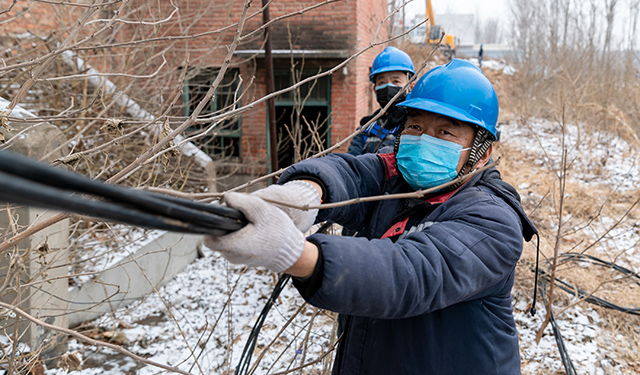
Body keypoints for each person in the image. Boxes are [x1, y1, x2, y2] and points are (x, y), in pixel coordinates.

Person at [205, 59, 537, 374]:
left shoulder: (493, 221)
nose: (424, 141)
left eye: (445, 133)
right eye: (416, 126)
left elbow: (408, 274)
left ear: (482, 152)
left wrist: (294, 253)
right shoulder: (398, 183)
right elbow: (351, 171)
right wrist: (304, 195)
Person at [347, 46, 415, 156]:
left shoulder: (416, 125)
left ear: (410, 86)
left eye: (396, 81)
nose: (388, 86)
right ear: (374, 89)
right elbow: (351, 161)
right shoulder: (366, 129)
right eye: (382, 82)